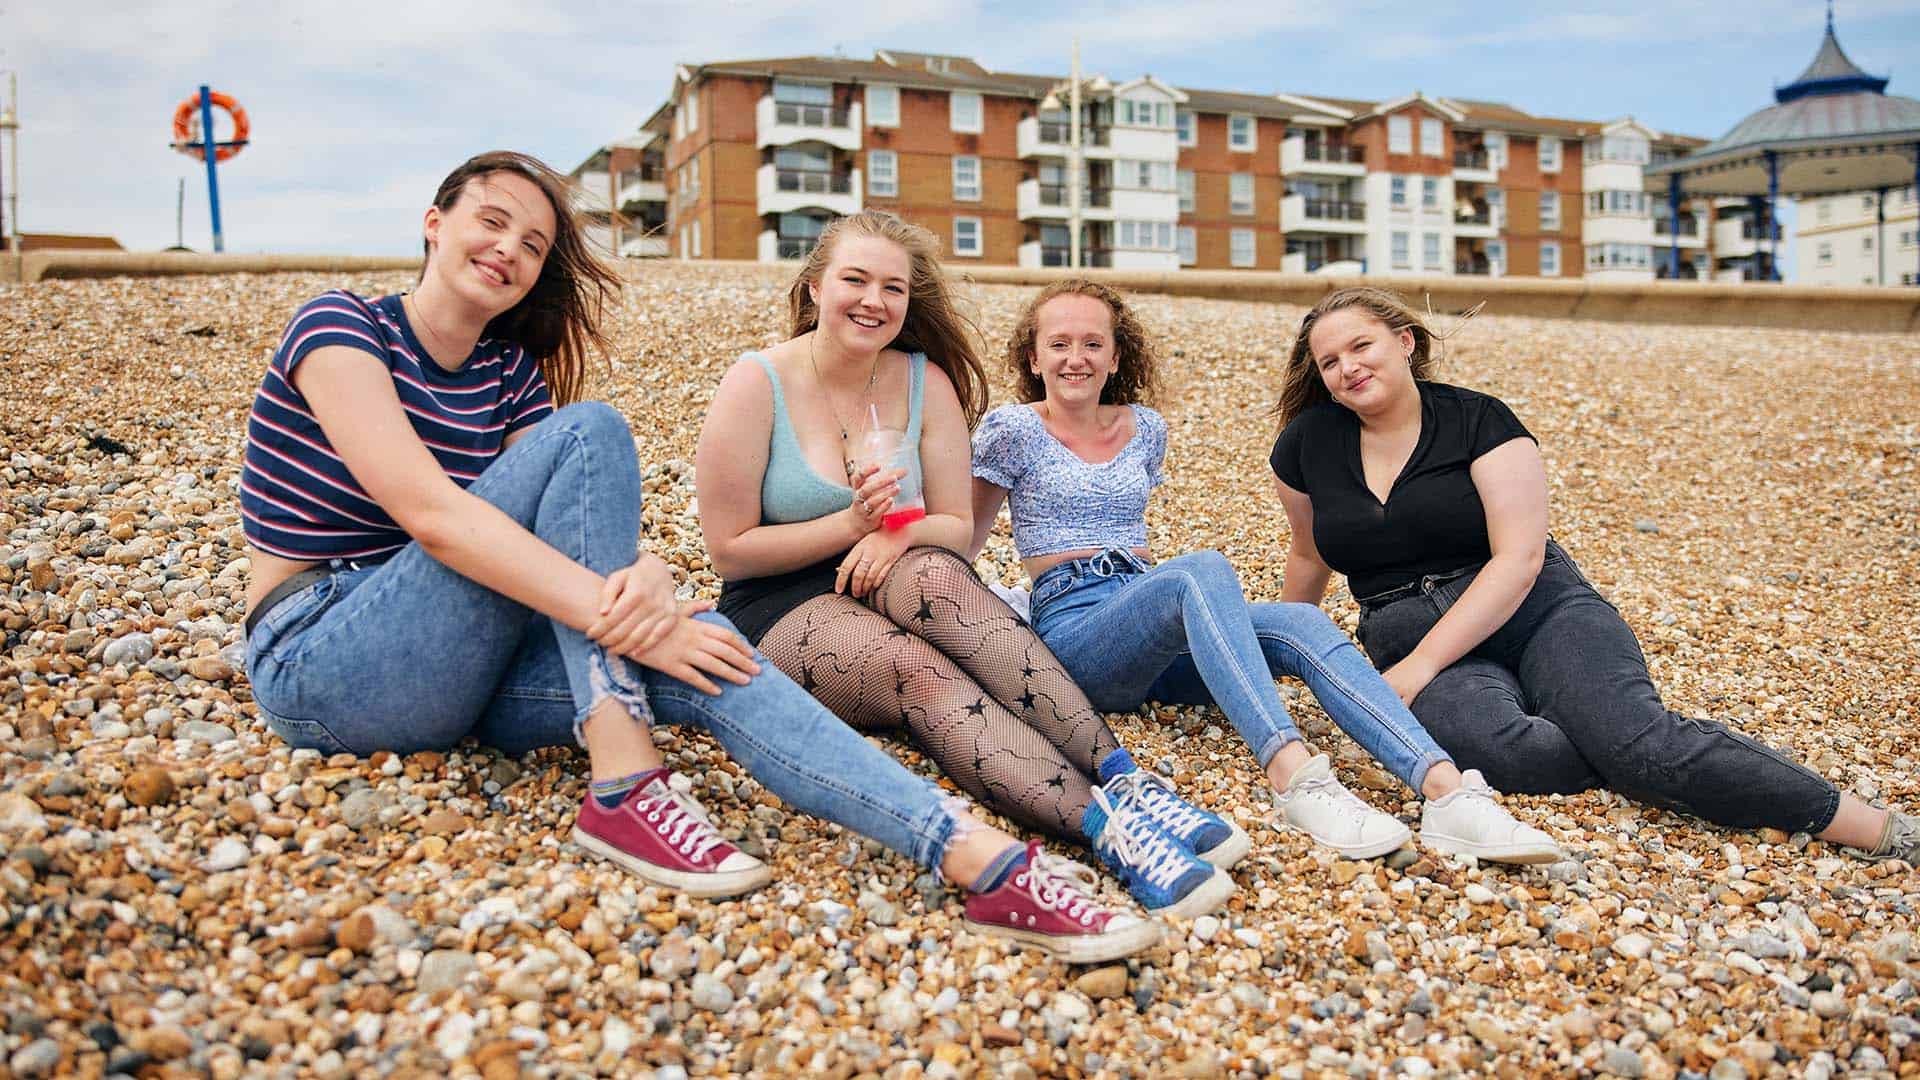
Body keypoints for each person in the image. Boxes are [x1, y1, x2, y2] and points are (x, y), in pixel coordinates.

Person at [237, 152, 1161, 961]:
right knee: (594, 433)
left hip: (461, 668)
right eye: (491, 223)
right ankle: (626, 777)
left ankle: (979, 860)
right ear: (433, 225)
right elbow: (434, 519)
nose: (509, 251)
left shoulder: (507, 374)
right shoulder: (341, 327)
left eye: (531, 243)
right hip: (328, 659)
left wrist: (643, 579)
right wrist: (625, 615)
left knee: (717, 646)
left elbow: (563, 527)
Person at [696, 211, 1236, 919]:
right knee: (920, 669)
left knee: (945, 581)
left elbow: (954, 525)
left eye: (893, 287)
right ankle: (1110, 834)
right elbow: (729, 548)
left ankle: (1126, 781)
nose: (873, 300)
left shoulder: (924, 381)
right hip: (780, 600)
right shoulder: (757, 380)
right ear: (814, 288)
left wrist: (893, 535)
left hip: (891, 560)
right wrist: (854, 523)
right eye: (854, 280)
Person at [1270, 285, 1918, 861]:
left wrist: (1417, 669)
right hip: (1406, 631)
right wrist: (1276, 667)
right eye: (1330, 361)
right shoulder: (1305, 447)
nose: (1348, 367)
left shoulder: (1480, 421)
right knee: (1509, 758)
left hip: (1537, 612)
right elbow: (1308, 557)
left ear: (1404, 342)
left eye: (1361, 346)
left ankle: (1875, 827)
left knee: (1640, 745)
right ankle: (1626, 751)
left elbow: (1518, 560)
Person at [970, 279, 1560, 865]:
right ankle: (1297, 780)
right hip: (1077, 634)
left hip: (1148, 623)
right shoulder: (1011, 430)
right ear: (1034, 356)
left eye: (1093, 344)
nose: (1077, 358)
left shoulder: (1146, 428)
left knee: (1296, 620)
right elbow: (965, 543)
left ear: (1117, 355)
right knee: (1197, 571)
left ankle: (1446, 792)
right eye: (1060, 344)